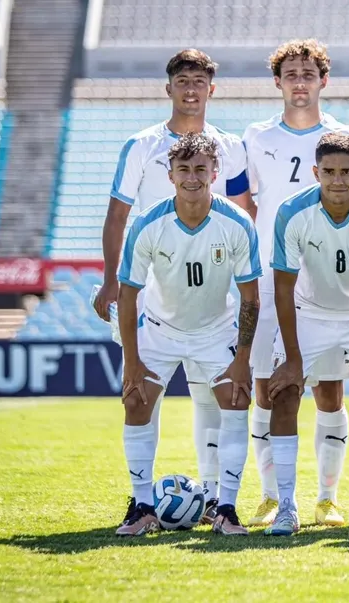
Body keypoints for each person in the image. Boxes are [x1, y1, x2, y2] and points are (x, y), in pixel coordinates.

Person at [96, 49, 252, 525]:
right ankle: (142, 502)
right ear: (169, 87)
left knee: (215, 397)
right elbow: (119, 214)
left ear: (212, 89)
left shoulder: (230, 147)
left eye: (199, 81)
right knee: (141, 393)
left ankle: (214, 501)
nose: (190, 89)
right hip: (151, 289)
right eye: (182, 80)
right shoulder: (141, 145)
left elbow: (246, 208)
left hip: (214, 293)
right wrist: (109, 278)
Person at [242, 39, 349, 528]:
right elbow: (246, 205)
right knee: (266, 386)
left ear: (323, 80)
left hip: (327, 276)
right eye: (291, 73)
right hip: (274, 276)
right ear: (278, 82)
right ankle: (272, 496)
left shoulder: (345, 135)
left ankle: (327, 498)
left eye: (308, 73)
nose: (300, 81)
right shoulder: (257, 136)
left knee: (330, 391)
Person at [114, 133, 261, 537]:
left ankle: (227, 508)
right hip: (160, 331)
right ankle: (142, 506)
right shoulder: (148, 224)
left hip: (216, 331)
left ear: (215, 173)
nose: (192, 178)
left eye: (201, 169)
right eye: (184, 170)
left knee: (235, 402)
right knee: (136, 403)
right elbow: (128, 297)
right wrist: (132, 362)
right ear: (170, 174)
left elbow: (251, 298)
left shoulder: (237, 222)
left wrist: (242, 360)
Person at [263, 133, 349, 537]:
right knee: (284, 392)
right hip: (311, 312)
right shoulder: (292, 212)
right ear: (315, 172)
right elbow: (284, 288)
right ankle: (287, 506)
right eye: (329, 172)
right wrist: (291, 358)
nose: (338, 180)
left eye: (346, 172)